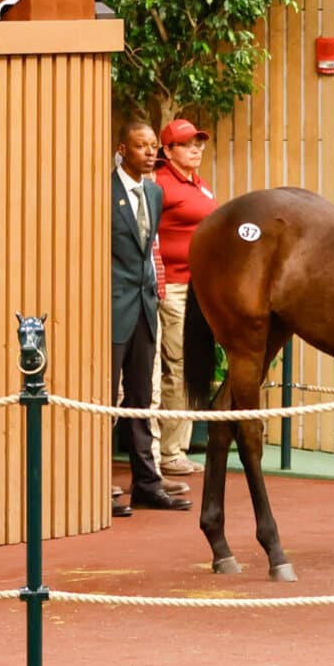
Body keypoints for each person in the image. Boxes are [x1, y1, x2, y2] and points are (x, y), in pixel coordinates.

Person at [111, 121, 191, 515]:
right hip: (112, 307)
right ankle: (97, 486)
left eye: (153, 146)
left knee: (142, 398)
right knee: (108, 399)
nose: (149, 153)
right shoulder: (103, 192)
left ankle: (146, 484)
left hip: (146, 307)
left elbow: (148, 252)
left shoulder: (155, 193)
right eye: (141, 146)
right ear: (122, 148)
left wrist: (155, 294)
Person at [153, 117, 217, 475]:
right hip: (174, 288)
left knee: (193, 365)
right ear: (168, 150)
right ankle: (168, 452)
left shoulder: (199, 184)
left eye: (199, 143)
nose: (196, 149)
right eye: (187, 144)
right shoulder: (160, 185)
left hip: (200, 289)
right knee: (177, 367)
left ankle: (180, 446)